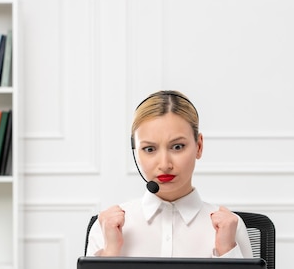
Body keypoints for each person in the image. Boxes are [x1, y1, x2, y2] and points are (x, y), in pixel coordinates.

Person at [86, 90, 252, 258]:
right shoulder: (106, 228)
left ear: (199, 146)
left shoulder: (231, 228)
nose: (165, 165)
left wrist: (227, 252)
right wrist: (110, 253)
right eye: (149, 149)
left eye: (177, 147)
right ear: (136, 152)